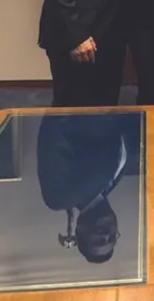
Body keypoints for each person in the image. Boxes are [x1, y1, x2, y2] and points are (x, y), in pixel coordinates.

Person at [37, 113, 143, 263]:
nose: (106, 235)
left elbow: (51, 137)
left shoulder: (59, 197)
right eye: (112, 237)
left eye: (98, 241)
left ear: (79, 231)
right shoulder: (112, 184)